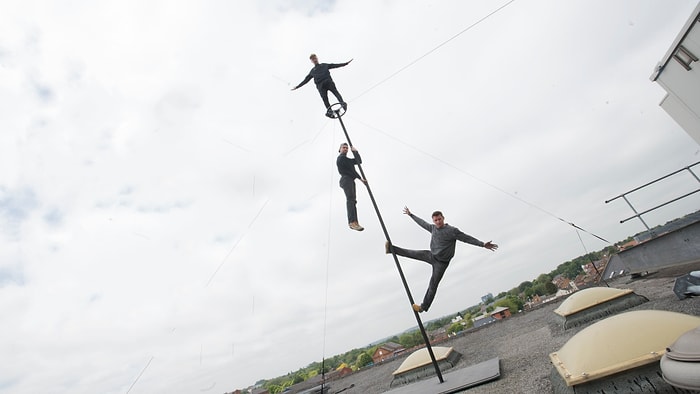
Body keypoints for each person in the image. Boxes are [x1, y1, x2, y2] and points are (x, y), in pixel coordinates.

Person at [386, 207, 498, 313]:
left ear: (443, 218)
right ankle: (391, 249)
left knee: (433, 284)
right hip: (431, 255)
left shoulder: (452, 231)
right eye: (435, 220)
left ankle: (422, 307)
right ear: (433, 221)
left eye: (439, 219)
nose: (438, 222)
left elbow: (466, 238)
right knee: (412, 253)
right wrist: (411, 215)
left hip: (441, 263)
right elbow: (422, 223)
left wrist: (482, 244)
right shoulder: (433, 228)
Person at [292, 54, 352, 118]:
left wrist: (345, 63)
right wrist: (297, 86)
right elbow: (306, 80)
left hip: (328, 82)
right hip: (321, 86)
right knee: (324, 98)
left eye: (315, 58)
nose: (314, 60)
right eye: (313, 59)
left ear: (317, 58)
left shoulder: (324, 65)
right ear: (311, 61)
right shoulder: (312, 71)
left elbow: (334, 65)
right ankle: (330, 111)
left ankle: (342, 103)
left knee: (335, 92)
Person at [337, 143, 366, 231]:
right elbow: (352, 170)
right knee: (350, 200)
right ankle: (352, 222)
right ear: (340, 149)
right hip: (346, 179)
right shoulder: (341, 158)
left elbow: (358, 161)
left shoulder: (347, 160)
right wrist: (361, 179)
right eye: (343, 148)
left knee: (353, 201)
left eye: (346, 148)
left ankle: (355, 222)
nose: (345, 149)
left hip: (350, 180)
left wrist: (356, 152)